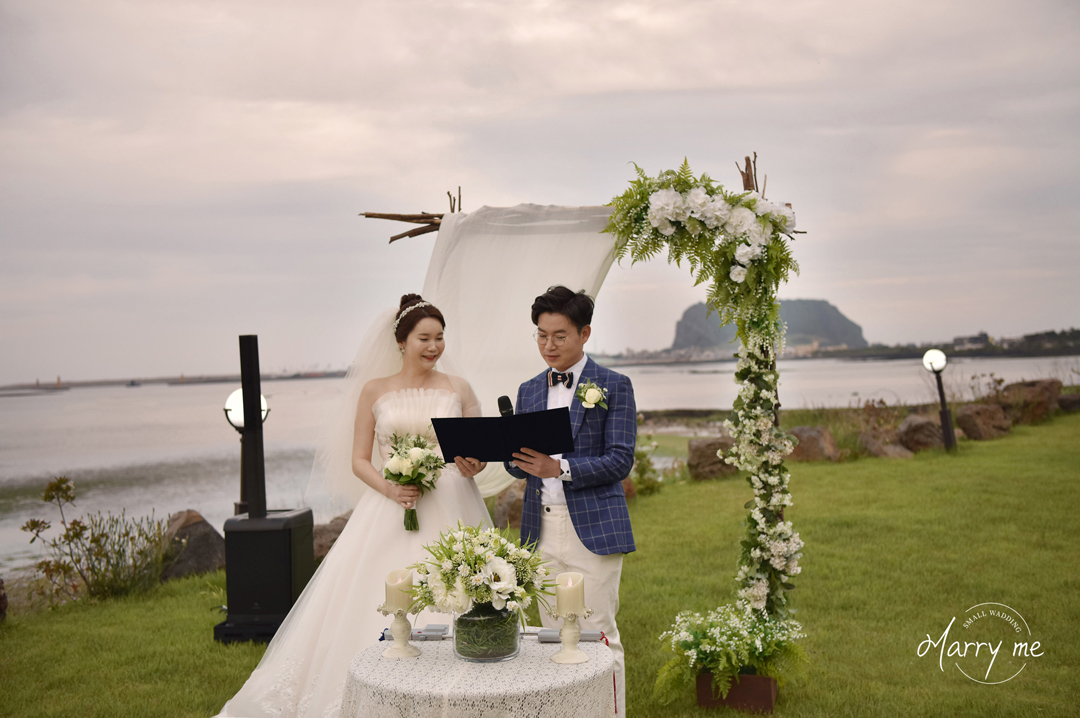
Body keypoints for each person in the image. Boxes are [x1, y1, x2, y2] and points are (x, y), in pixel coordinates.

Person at [216, 294, 491, 718]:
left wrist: (475, 463)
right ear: (401, 341)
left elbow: (477, 452)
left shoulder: (459, 388)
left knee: (460, 590)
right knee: (378, 596)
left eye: (440, 338)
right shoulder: (374, 390)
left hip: (454, 502)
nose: (434, 346)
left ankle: (465, 693)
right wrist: (391, 489)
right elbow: (359, 460)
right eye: (424, 338)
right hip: (392, 506)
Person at [504, 285, 636, 716]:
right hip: (538, 529)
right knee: (551, 638)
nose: (549, 345)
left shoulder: (614, 385)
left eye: (559, 335)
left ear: (584, 334)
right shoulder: (528, 390)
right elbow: (521, 464)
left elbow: (620, 460)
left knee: (597, 633)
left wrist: (558, 467)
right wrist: (501, 457)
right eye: (541, 335)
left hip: (593, 528)